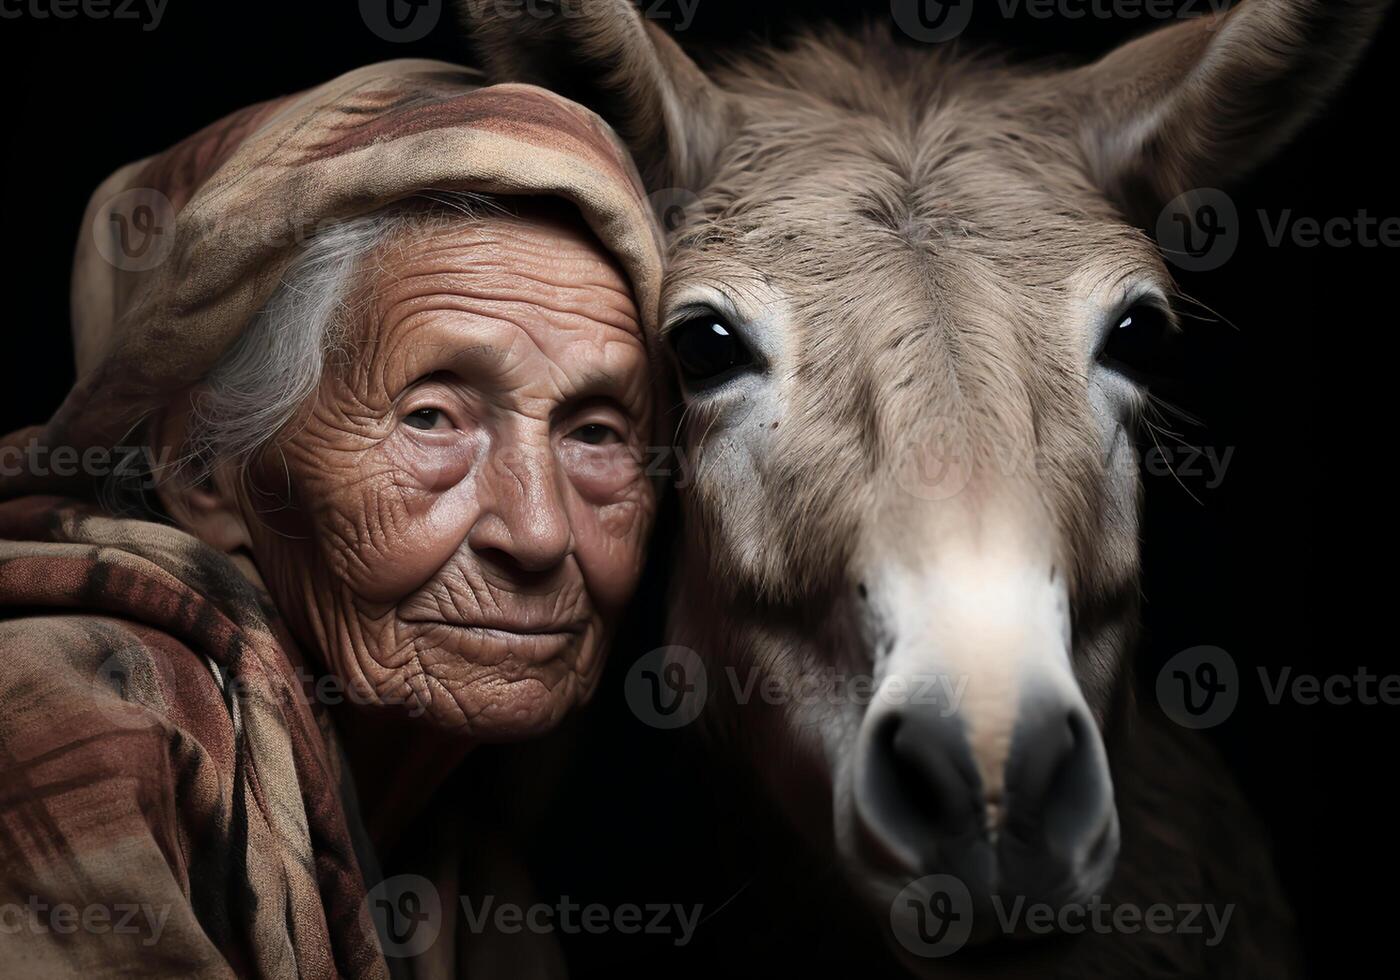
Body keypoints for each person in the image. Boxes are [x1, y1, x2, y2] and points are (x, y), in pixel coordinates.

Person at [0, 59, 663, 978]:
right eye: (432, 418)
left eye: (597, 433)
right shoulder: (75, 720)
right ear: (204, 469)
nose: (541, 531)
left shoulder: (463, 870)